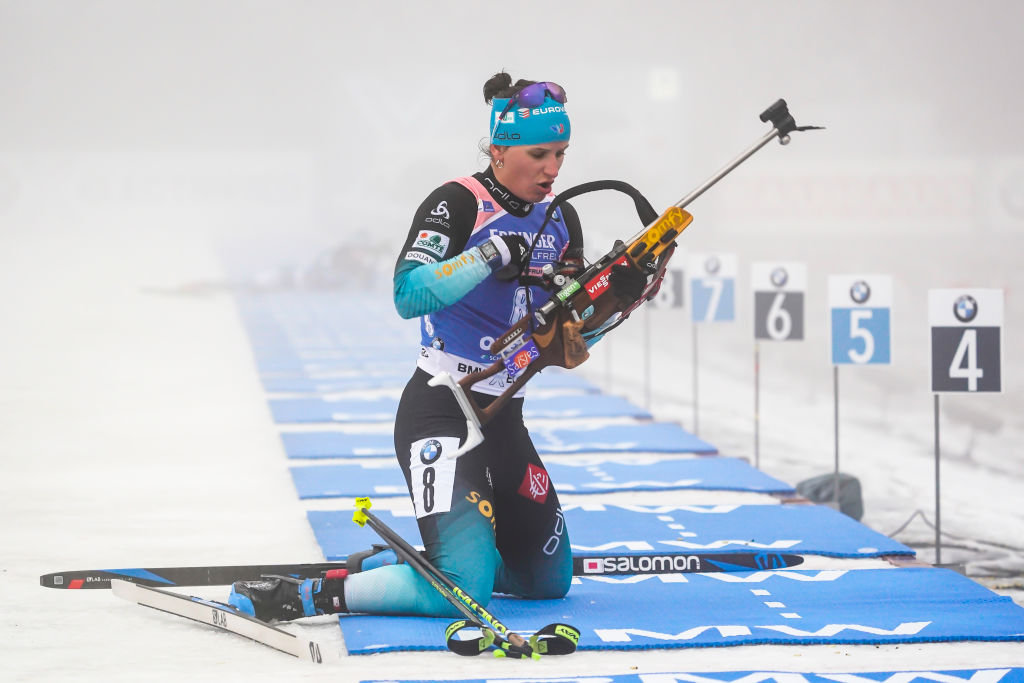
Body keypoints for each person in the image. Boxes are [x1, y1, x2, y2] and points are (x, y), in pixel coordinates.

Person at [229, 72, 648, 621]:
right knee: (463, 590)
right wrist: (493, 253)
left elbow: (562, 340)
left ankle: (423, 561)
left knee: (547, 580)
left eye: (562, 154)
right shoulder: (458, 203)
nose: (553, 169)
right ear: (499, 149)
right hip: (441, 409)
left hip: (503, 416)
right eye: (539, 153)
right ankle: (306, 596)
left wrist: (620, 300)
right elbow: (408, 294)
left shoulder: (562, 217)